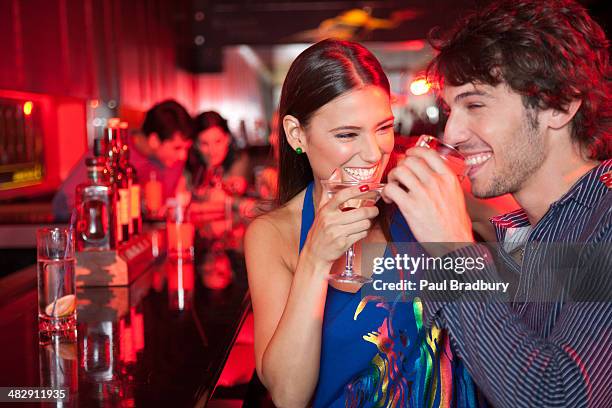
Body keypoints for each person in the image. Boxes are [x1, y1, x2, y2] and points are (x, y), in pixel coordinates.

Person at [383, 1, 611, 407]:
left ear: (559, 106)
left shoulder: (605, 221)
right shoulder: (521, 232)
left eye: (476, 105)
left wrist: (452, 247)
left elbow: (558, 397)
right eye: (452, 109)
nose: (451, 131)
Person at [245, 39, 487, 408]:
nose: (374, 153)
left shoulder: (416, 193)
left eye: (383, 127)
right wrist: (314, 259)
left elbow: (537, 273)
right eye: (347, 134)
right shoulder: (273, 234)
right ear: (297, 135)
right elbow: (288, 396)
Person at [52, 99, 193, 220]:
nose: (183, 156)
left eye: (186, 148)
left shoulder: (173, 161)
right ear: (154, 140)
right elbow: (62, 205)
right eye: (177, 148)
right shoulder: (110, 152)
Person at [182, 111, 253, 241]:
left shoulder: (239, 160)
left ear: (228, 139)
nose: (212, 150)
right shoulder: (190, 164)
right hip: (197, 239)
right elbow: (183, 203)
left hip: (235, 237)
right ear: (196, 145)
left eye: (218, 141)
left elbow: (223, 200)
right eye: (204, 144)